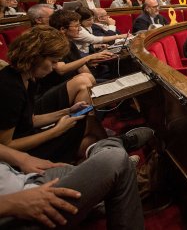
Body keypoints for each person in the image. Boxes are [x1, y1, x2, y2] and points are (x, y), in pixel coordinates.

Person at [0, 128, 152, 229]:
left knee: (100, 171)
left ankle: (117, 161)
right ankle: (114, 147)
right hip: (15, 208)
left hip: (24, 179)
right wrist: (11, 203)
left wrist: (23, 159)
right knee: (115, 159)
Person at [0, 26, 103, 163]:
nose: (55, 67)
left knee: (84, 123)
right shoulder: (9, 87)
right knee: (89, 138)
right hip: (19, 155)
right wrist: (56, 131)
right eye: (53, 62)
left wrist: (67, 111)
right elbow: (6, 145)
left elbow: (31, 120)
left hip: (29, 136)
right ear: (34, 57)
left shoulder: (28, 78)